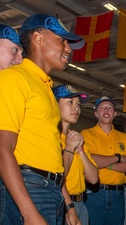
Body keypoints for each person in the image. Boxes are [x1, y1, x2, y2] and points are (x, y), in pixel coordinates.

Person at [0, 14, 84, 225]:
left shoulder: (45, 87)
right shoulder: (14, 78)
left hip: (51, 189)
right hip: (29, 187)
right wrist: (29, 213)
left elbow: (51, 156)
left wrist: (68, 204)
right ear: (37, 38)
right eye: (61, 40)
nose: (68, 48)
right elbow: (2, 149)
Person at [81, 96, 126, 225]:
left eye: (109, 108)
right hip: (94, 193)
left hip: (118, 195)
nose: (106, 111)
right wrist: (118, 158)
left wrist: (106, 165)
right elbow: (90, 160)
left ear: (115, 114)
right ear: (96, 113)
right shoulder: (87, 134)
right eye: (102, 108)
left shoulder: (123, 137)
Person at [53, 84, 99, 225]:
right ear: (54, 105)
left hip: (81, 204)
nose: (76, 108)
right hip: (62, 205)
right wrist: (69, 147)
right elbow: (58, 178)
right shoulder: (52, 138)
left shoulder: (78, 140)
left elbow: (93, 178)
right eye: (70, 102)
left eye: (78, 104)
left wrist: (80, 150)